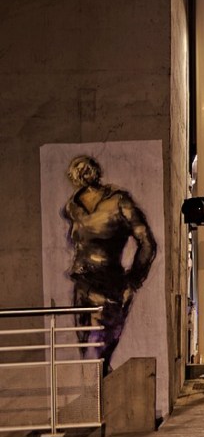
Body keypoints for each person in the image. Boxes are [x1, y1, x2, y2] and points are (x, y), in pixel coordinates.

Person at [61, 154, 157, 376]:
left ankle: (100, 406)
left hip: (109, 289)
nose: (82, 175)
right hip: (81, 288)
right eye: (77, 172)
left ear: (95, 172)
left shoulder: (118, 201)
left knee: (94, 358)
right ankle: (106, 406)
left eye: (85, 170)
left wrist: (133, 280)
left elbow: (147, 243)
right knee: (93, 361)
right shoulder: (73, 206)